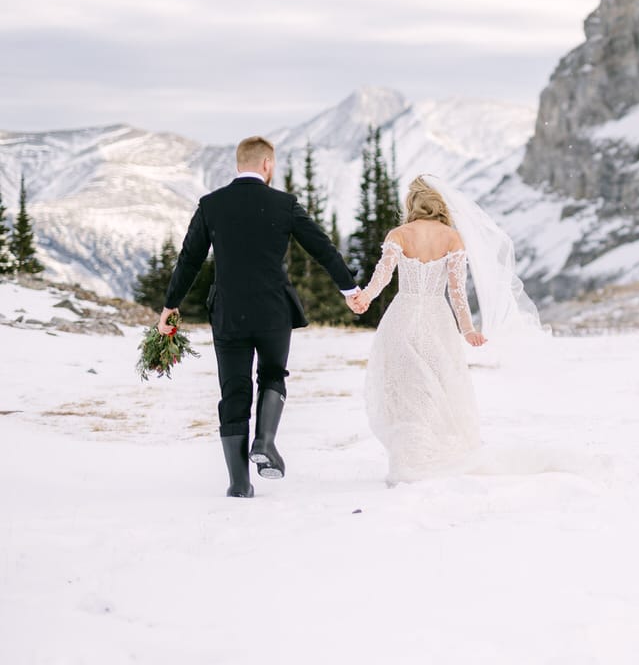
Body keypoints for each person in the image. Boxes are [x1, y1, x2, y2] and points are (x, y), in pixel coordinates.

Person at [160, 136, 364, 498]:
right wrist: (349, 291)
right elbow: (322, 247)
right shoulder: (284, 204)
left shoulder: (211, 205)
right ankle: (265, 442)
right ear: (267, 165)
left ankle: (239, 483)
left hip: (228, 313)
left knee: (233, 389)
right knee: (272, 374)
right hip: (273, 311)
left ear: (239, 165)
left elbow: (189, 259)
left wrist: (170, 305)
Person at [353, 174, 546, 484]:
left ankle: (409, 457)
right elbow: (457, 292)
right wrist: (468, 329)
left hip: (402, 316)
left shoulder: (399, 235)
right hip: (437, 319)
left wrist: (363, 298)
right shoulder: (452, 238)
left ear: (412, 202)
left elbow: (382, 278)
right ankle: (432, 453)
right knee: (437, 385)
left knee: (405, 387)